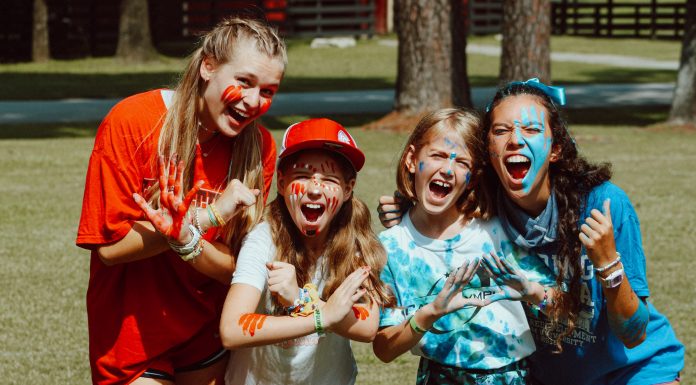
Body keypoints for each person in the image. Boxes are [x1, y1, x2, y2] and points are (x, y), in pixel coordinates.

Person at [379, 80, 685, 385]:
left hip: (635, 370)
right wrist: (406, 206)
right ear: (489, 150)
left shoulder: (601, 205)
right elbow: (442, 198)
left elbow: (634, 334)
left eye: (531, 130)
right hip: (553, 376)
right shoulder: (488, 208)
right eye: (501, 131)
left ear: (556, 148)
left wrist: (608, 265)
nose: (515, 140)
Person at [76, 17, 287, 385]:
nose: (254, 101)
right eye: (244, 82)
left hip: (207, 334)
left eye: (268, 91)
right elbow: (109, 248)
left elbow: (234, 267)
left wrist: (185, 237)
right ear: (208, 66)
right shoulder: (134, 122)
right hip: (132, 335)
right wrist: (205, 218)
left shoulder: (259, 149)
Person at [372, 109, 554, 385]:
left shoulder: (497, 230)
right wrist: (430, 313)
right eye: (438, 155)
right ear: (411, 159)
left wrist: (531, 292)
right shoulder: (391, 247)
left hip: (513, 376)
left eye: (461, 163)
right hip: (438, 376)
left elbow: (563, 305)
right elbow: (384, 349)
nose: (447, 169)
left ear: (474, 177)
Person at [219, 118, 392, 385]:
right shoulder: (264, 239)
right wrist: (323, 317)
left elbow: (368, 326)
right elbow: (231, 330)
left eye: (329, 179)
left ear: (348, 189)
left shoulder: (354, 242)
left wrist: (301, 300)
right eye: (302, 176)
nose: (314, 189)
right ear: (282, 182)